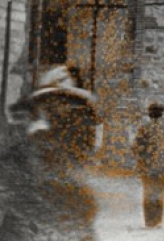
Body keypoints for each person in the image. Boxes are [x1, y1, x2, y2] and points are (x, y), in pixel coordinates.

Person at [0, 65, 101, 240]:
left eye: (74, 108)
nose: (66, 112)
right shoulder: (30, 144)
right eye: (57, 104)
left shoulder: (74, 140)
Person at [133, 101, 164, 229]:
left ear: (149, 114)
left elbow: (135, 147)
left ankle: (149, 221)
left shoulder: (144, 128)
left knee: (148, 193)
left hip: (147, 167)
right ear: (161, 114)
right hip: (163, 167)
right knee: (160, 194)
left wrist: (143, 157)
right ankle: (157, 221)